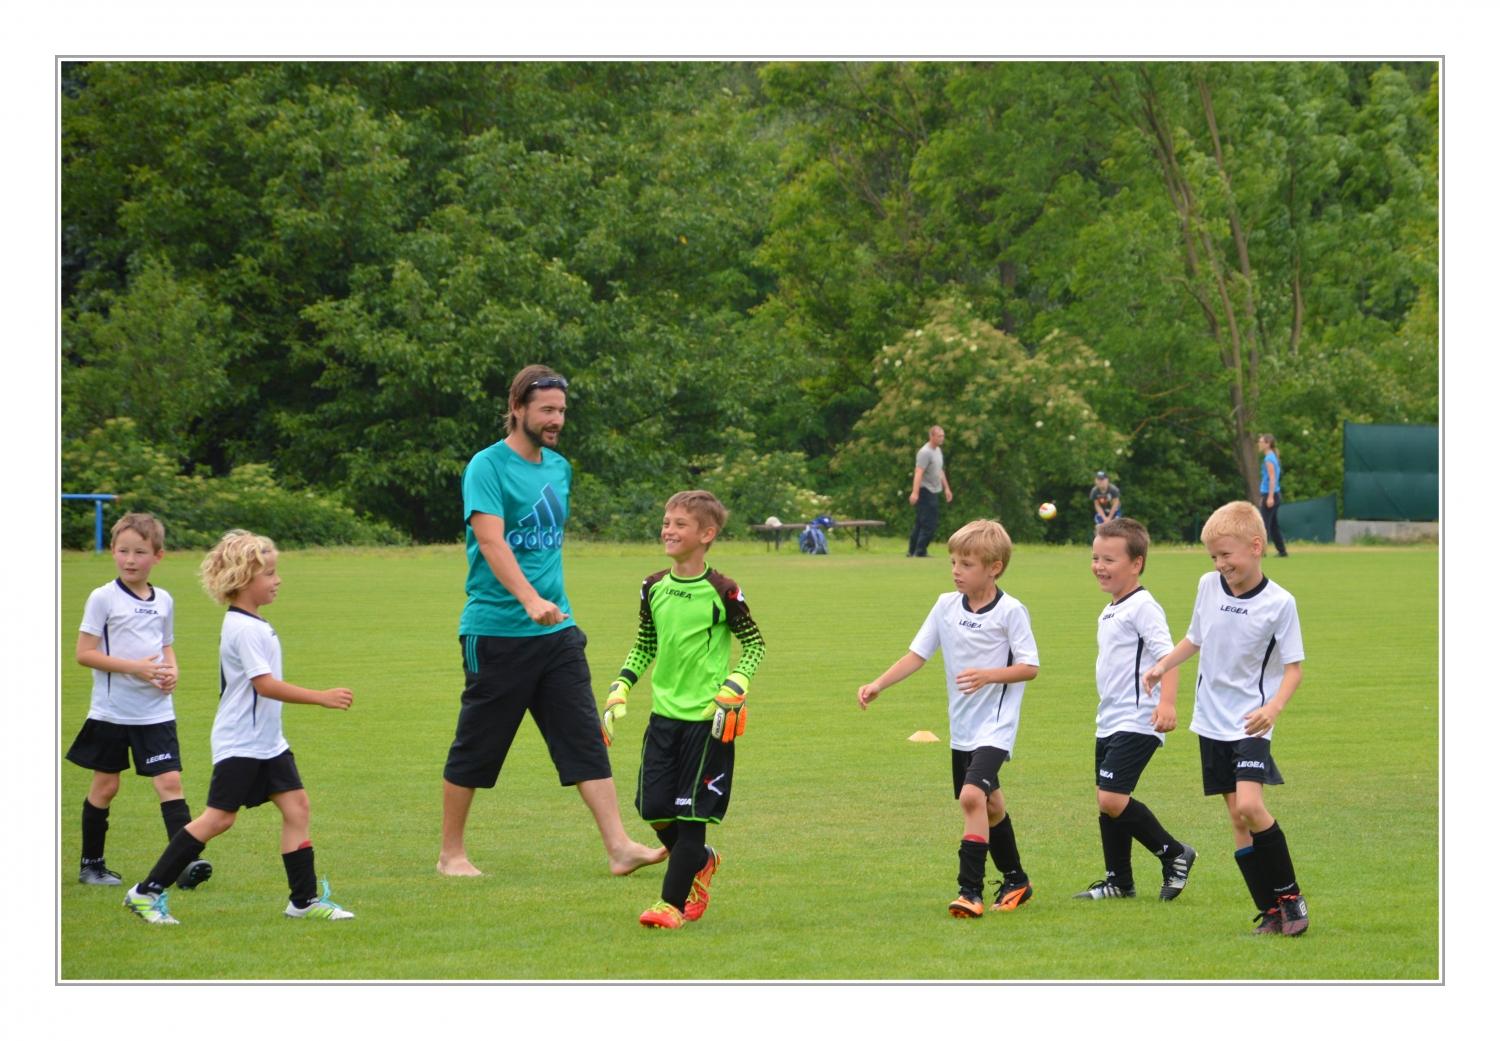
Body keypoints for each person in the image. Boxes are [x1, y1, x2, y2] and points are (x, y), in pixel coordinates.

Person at [438, 364, 665, 878]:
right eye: (546, 409)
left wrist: (547, 606)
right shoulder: (486, 466)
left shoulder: (559, 468)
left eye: (561, 410)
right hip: (496, 631)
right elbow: (491, 541)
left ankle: (619, 847)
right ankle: (451, 855)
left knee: (583, 737)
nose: (556, 419)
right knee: (478, 744)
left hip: (558, 630)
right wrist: (528, 599)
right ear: (517, 408)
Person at [123, 530, 355, 924]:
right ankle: (145, 892)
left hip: (268, 742)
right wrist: (321, 696)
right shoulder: (244, 628)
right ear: (244, 579)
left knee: (297, 807)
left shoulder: (255, 623)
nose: (278, 580)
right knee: (219, 819)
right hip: (242, 742)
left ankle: (303, 901)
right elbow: (264, 685)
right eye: (270, 573)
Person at [599, 490, 767, 929]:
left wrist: (736, 683)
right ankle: (701, 861)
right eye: (666, 522)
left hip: (707, 724)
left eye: (679, 524)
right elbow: (645, 644)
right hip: (663, 719)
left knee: (691, 819)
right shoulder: (653, 586)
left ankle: (669, 905)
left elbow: (754, 645)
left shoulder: (723, 590)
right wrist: (621, 685)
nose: (668, 530)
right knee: (653, 809)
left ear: (706, 534)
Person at [858, 519, 1040, 917]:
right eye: (953, 562)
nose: (957, 570)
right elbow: (917, 655)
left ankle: (969, 891)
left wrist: (989, 675)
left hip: (996, 727)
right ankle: (1016, 880)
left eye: (967, 564)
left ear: (994, 568)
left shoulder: (1010, 611)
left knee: (971, 797)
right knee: (991, 806)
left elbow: (1030, 667)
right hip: (962, 728)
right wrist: (878, 684)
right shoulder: (945, 606)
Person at [1143, 501, 1309, 936]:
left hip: (1252, 721)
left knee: (1251, 806)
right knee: (1237, 819)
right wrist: (1163, 665)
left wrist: (1273, 708)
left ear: (1255, 546)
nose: (1220, 564)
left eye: (1226, 555)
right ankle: (1269, 911)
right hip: (1210, 721)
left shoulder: (1280, 603)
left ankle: (1290, 897)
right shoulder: (1208, 586)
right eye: (1213, 556)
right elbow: (1194, 638)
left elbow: (1294, 669)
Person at [67, 512, 211, 890]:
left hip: (156, 711)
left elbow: (166, 645)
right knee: (106, 787)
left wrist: (172, 670)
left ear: (158, 556)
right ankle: (92, 865)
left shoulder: (164, 600)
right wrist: (137, 669)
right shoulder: (103, 597)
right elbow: (84, 653)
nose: (130, 560)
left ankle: (185, 864)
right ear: (113, 551)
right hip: (112, 713)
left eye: (140, 552)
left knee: (170, 782)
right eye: (123, 551)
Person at [1074, 518, 1196, 902]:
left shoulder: (1143, 606)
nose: (1099, 566)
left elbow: (1168, 657)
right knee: (1108, 800)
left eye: (1109, 559)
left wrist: (1167, 703)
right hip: (1110, 718)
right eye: (1095, 558)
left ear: (1137, 563)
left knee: (1111, 798)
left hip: (1139, 718)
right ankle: (1119, 881)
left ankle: (1174, 853)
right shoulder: (1111, 609)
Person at [907, 426, 953, 558]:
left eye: (943, 436)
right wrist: (915, 492)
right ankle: (920, 551)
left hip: (934, 490)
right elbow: (918, 472)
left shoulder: (937, 451)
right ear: (931, 436)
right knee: (929, 523)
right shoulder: (925, 452)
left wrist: (947, 488)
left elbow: (940, 470)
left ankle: (912, 551)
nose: (942, 438)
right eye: (939, 436)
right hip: (925, 490)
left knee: (920, 522)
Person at [1257, 434, 1289, 557]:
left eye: (1261, 442)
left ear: (1268, 444)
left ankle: (1261, 551)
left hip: (1271, 494)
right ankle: (1282, 551)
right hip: (1273, 494)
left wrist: (1269, 497)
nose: (1259, 444)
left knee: (1263, 524)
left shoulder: (1269, 459)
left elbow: (1272, 478)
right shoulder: (1271, 457)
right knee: (1273, 525)